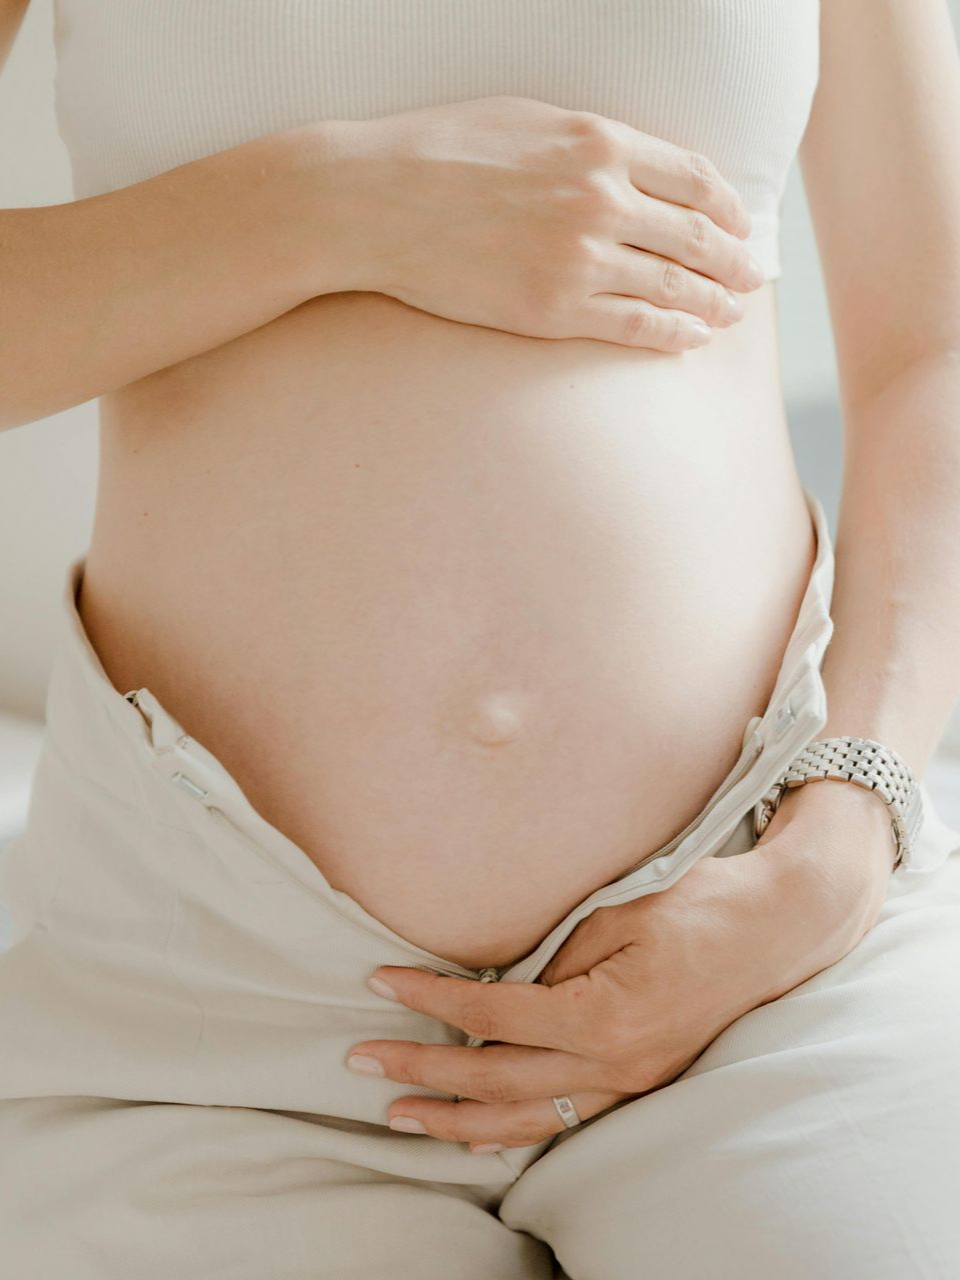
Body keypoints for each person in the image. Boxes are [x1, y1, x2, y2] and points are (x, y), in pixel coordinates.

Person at [1, 1, 959, 1276]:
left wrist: (839, 841)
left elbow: (936, 355)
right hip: (204, 1008)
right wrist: (334, 205)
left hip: (765, 942)